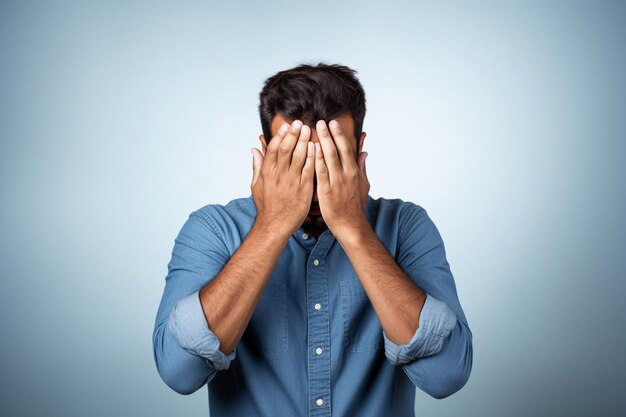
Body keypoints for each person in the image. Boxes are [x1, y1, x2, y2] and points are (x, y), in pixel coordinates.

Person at [152, 63, 473, 416]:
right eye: (295, 160)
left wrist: (354, 229)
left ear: (359, 149)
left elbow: (446, 377)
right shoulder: (212, 229)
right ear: (265, 150)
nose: (316, 184)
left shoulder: (406, 226)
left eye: (333, 159)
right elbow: (179, 373)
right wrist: (272, 226)